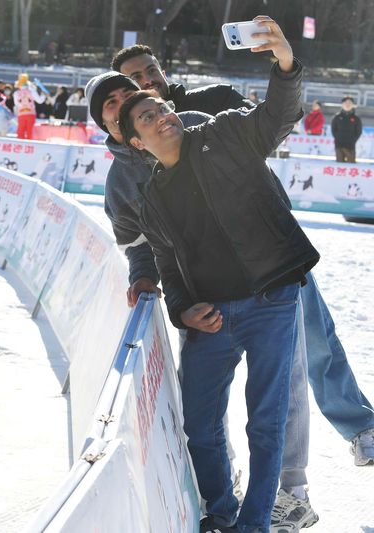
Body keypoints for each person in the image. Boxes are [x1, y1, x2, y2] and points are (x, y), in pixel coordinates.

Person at [99, 42, 374, 532]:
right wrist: (158, 288)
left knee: (306, 358)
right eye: (126, 92)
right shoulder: (130, 180)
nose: (146, 87)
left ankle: (303, 480)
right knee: (209, 411)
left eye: (148, 75)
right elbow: (148, 244)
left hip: (274, 266)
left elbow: (267, 126)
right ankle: (228, 501)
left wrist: (283, 65)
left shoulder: (208, 111)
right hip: (210, 293)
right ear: (117, 128)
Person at [118, 17, 317, 531]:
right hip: (211, 319)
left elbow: (279, 114)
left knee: (265, 423)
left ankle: (254, 524)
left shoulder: (226, 131)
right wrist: (184, 310)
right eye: (147, 118)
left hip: (273, 299)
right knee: (201, 426)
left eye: (161, 107)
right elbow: (167, 266)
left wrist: (286, 62)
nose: (161, 115)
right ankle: (221, 514)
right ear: (137, 143)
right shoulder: (151, 200)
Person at [112, 44, 253, 116]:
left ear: (164, 74)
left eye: (152, 71)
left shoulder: (219, 97)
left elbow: (267, 127)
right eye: (136, 77)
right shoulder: (131, 136)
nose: (148, 80)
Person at [331, 96, 363, 163]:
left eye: (350, 103)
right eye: (346, 103)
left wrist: (353, 140)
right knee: (339, 165)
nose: (348, 104)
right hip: (339, 145)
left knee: (351, 165)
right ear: (342, 104)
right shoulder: (337, 117)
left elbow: (359, 131)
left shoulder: (356, 118)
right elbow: (333, 130)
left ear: (353, 105)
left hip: (350, 145)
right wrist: (338, 138)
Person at [14, 73, 43, 139]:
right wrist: (43, 95)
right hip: (31, 114)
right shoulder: (32, 91)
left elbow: (16, 104)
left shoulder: (16, 93)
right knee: (30, 132)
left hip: (21, 114)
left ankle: (20, 146)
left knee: (20, 131)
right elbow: (40, 101)